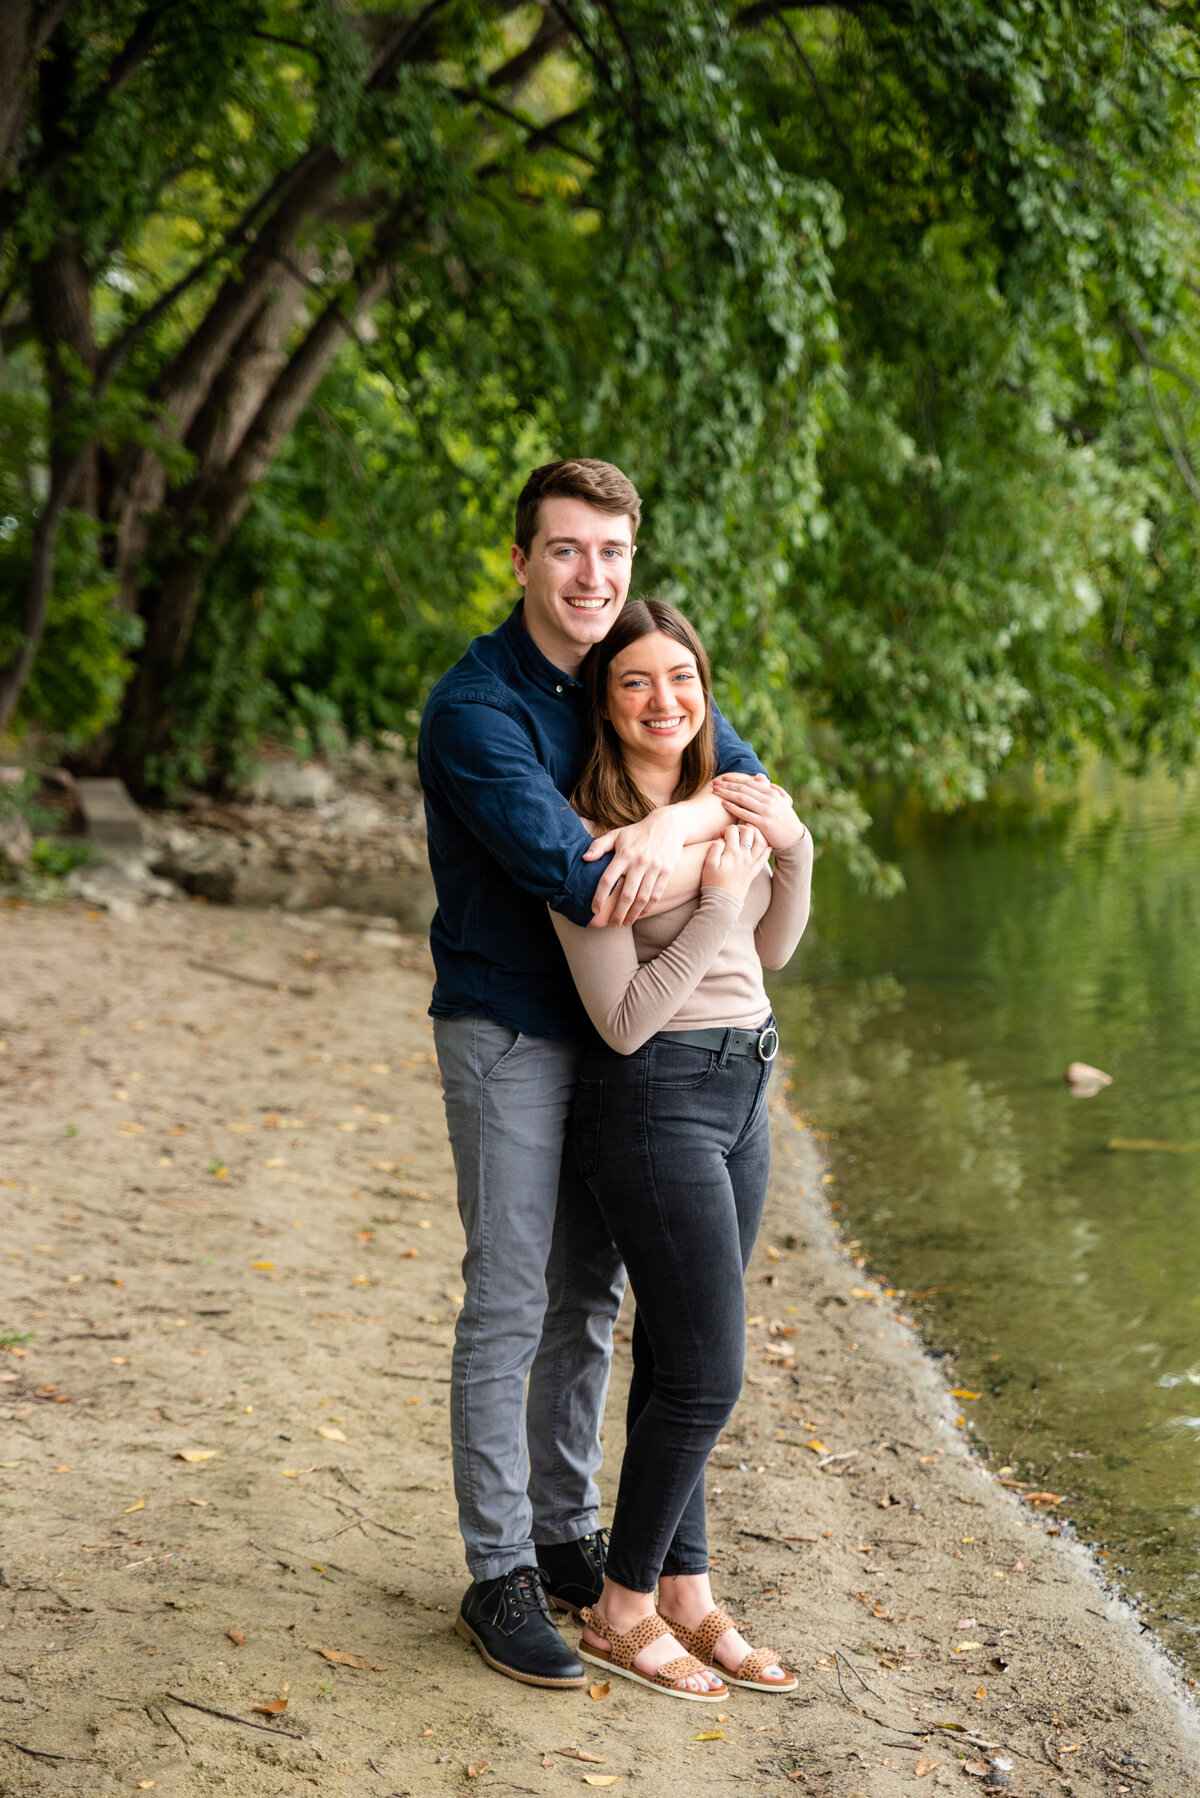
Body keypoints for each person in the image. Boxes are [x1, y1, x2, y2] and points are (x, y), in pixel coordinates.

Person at [417, 459, 767, 1688]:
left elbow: (752, 787)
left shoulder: (635, 663)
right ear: (521, 560)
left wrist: (686, 821)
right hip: (514, 1028)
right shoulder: (477, 710)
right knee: (510, 1297)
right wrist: (705, 838)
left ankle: (570, 1536)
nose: (591, 577)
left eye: (610, 553)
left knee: (591, 1300)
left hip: (628, 1043)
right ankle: (498, 1569)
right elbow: (585, 878)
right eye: (565, 550)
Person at [549, 598, 813, 1701]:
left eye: (685, 679)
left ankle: (688, 1591)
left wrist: (791, 849)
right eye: (636, 682)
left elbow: (775, 949)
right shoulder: (582, 833)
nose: (666, 701)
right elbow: (622, 1020)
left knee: (675, 1355)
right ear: (604, 704)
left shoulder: (728, 804)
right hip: (652, 1099)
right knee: (710, 1372)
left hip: (747, 1083)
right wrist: (710, 903)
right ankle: (620, 1605)